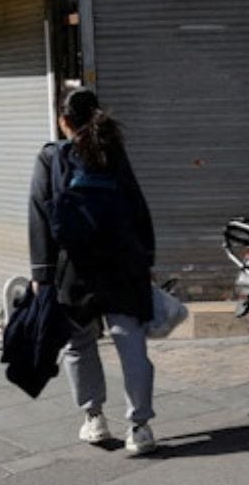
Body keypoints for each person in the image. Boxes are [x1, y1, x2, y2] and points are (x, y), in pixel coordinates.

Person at [28, 88, 160, 456]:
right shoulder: (112, 153)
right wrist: (147, 259)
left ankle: (95, 418)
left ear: (63, 121)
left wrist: (42, 273)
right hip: (122, 262)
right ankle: (140, 427)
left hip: (74, 267)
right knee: (130, 341)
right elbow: (137, 207)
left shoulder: (51, 157)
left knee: (78, 343)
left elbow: (39, 214)